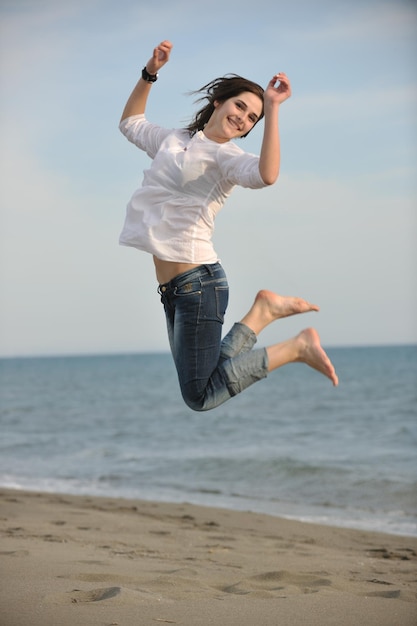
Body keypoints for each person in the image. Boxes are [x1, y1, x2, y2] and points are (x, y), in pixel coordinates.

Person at [119, 40, 338, 411]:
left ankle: (297, 347)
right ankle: (263, 313)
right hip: (174, 289)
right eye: (241, 105)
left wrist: (273, 107)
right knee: (208, 379)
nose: (243, 117)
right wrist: (150, 72)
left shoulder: (226, 158)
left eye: (253, 117)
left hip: (199, 284)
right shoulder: (174, 140)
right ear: (218, 101)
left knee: (200, 396)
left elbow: (267, 175)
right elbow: (130, 123)